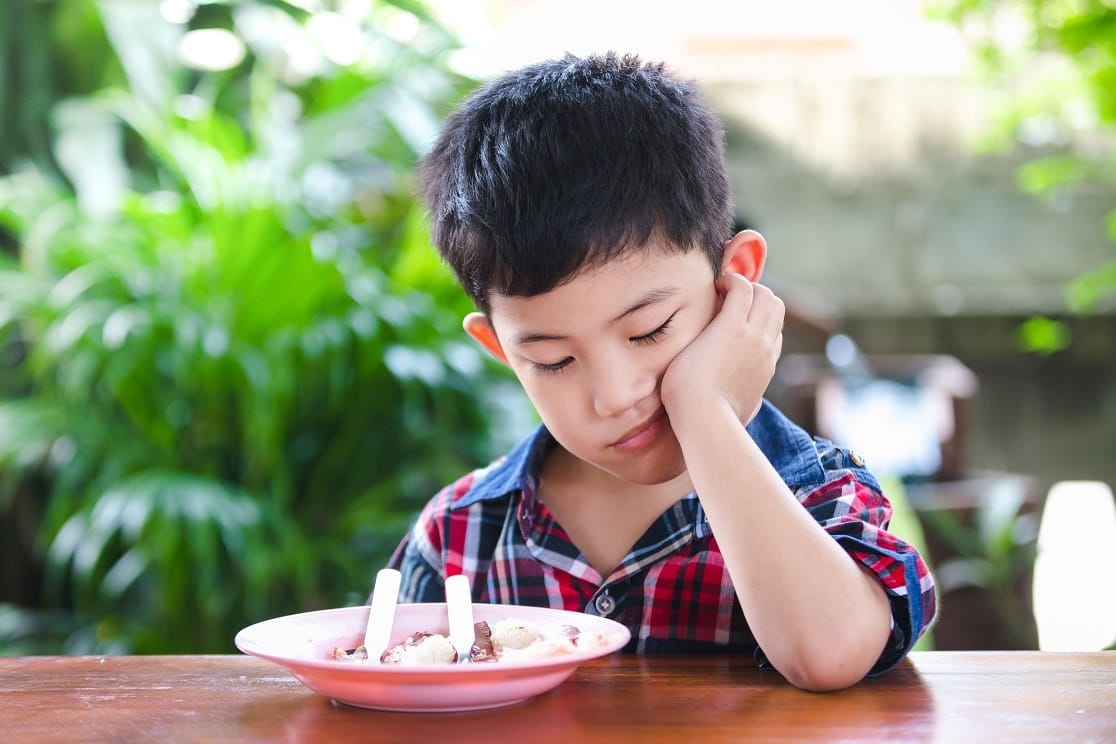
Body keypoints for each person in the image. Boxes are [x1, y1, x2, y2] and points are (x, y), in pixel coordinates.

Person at [387, 52, 936, 691]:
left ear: (737, 282)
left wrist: (704, 407)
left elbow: (832, 655)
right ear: (503, 351)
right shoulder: (463, 533)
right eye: (553, 360)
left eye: (649, 331)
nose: (615, 395)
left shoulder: (819, 497)